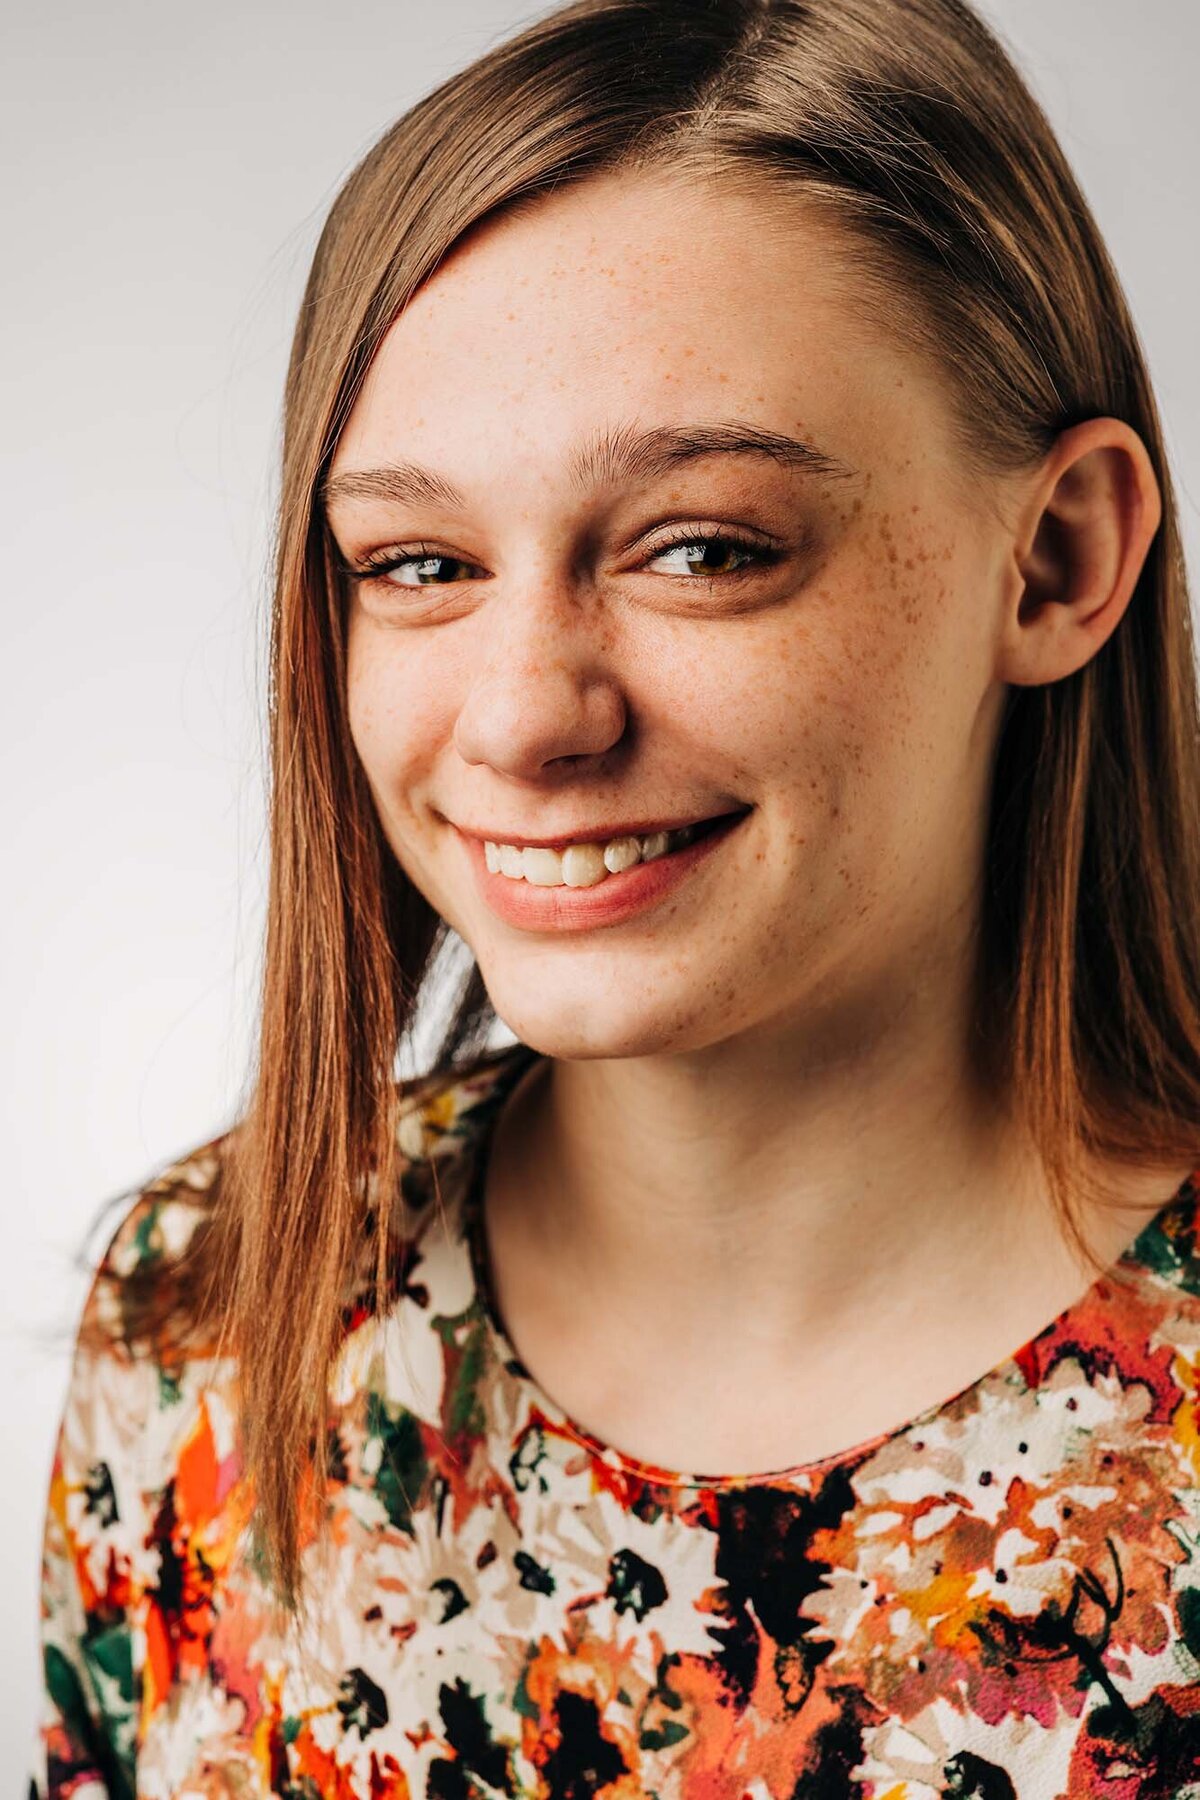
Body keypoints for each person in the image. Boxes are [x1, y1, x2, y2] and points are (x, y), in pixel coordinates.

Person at [28, 0, 1200, 1792]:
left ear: (1055, 560)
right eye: (418, 562)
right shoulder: (208, 1322)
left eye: (704, 548)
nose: (521, 716)